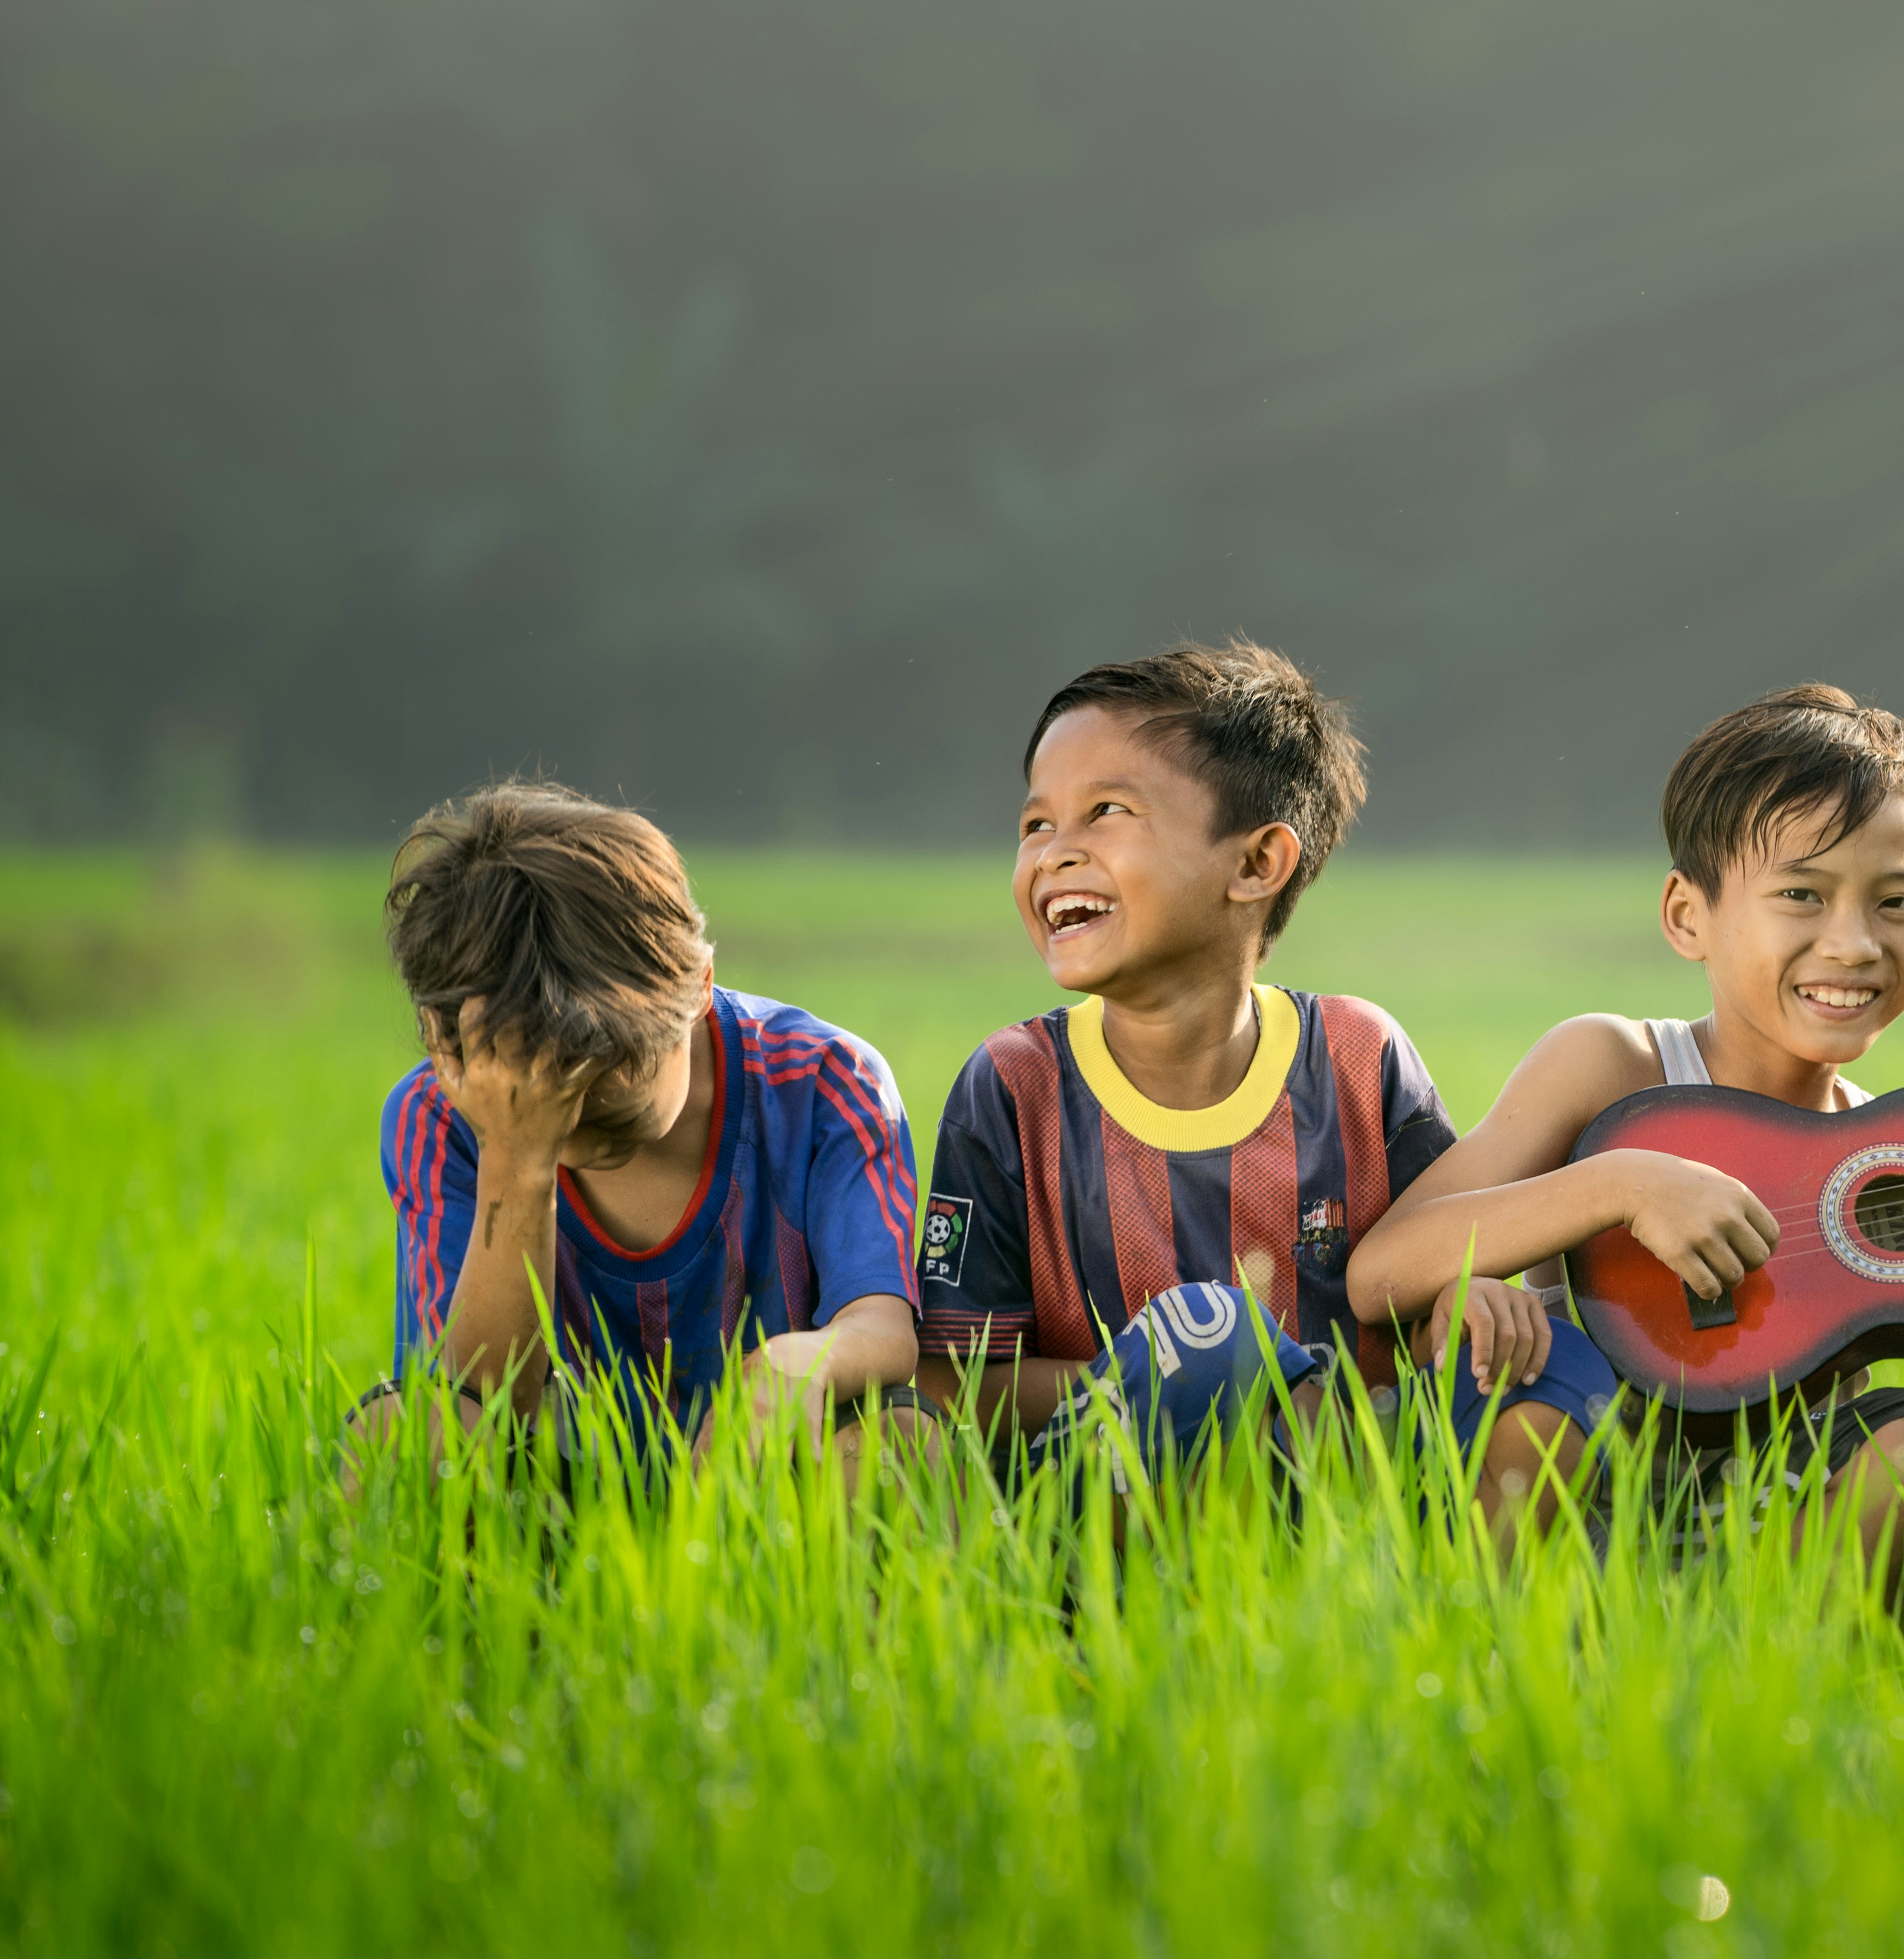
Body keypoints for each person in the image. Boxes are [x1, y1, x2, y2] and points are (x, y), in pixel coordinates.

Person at [1347, 686, 1904, 1588]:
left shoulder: (1894, 1155)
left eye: (1896, 902)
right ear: (1689, 916)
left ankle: (1835, 1657)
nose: (1855, 944)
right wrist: (1623, 1186)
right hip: (1597, 1498)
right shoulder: (1616, 1064)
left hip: (1794, 1514)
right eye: (1802, 893)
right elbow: (1381, 1271)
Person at [911, 638, 1614, 1542]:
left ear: (1256, 865)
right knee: (1210, 1332)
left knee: (1562, 1357)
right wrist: (1235, 1380)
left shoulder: (1360, 1056)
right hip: (1112, 1505)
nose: (1057, 854)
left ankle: (1456, 1621)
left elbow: (1432, 1269)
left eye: (1107, 813)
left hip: (1353, 1480)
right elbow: (955, 1381)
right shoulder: (1013, 1086)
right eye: (1037, 825)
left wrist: (1468, 1299)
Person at [356, 782, 930, 1489]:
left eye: (594, 1079)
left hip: (770, 1485)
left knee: (898, 1438)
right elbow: (481, 1403)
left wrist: (800, 1361)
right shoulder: (440, 1115)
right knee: (405, 1436)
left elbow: (882, 1325)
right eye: (529, 1084)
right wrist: (516, 1155)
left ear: (696, 989)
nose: (559, 1110)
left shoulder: (821, 1082)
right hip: (547, 1499)